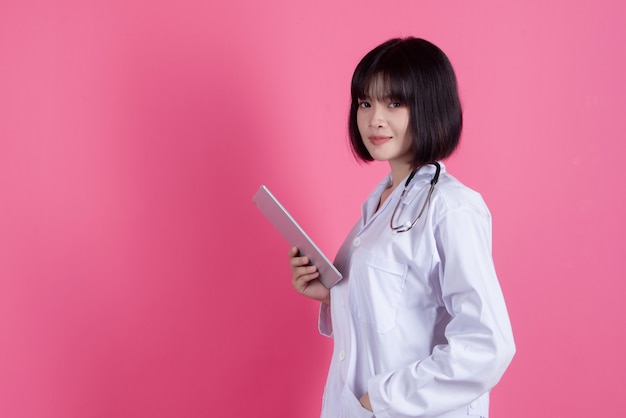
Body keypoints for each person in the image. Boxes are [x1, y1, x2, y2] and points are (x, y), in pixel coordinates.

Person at [289, 37, 515, 418]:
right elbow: (405, 306)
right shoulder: (383, 201)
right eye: (365, 103)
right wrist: (332, 294)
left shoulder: (451, 207)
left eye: (394, 103)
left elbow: (488, 344)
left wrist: (382, 398)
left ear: (430, 105)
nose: (374, 118)